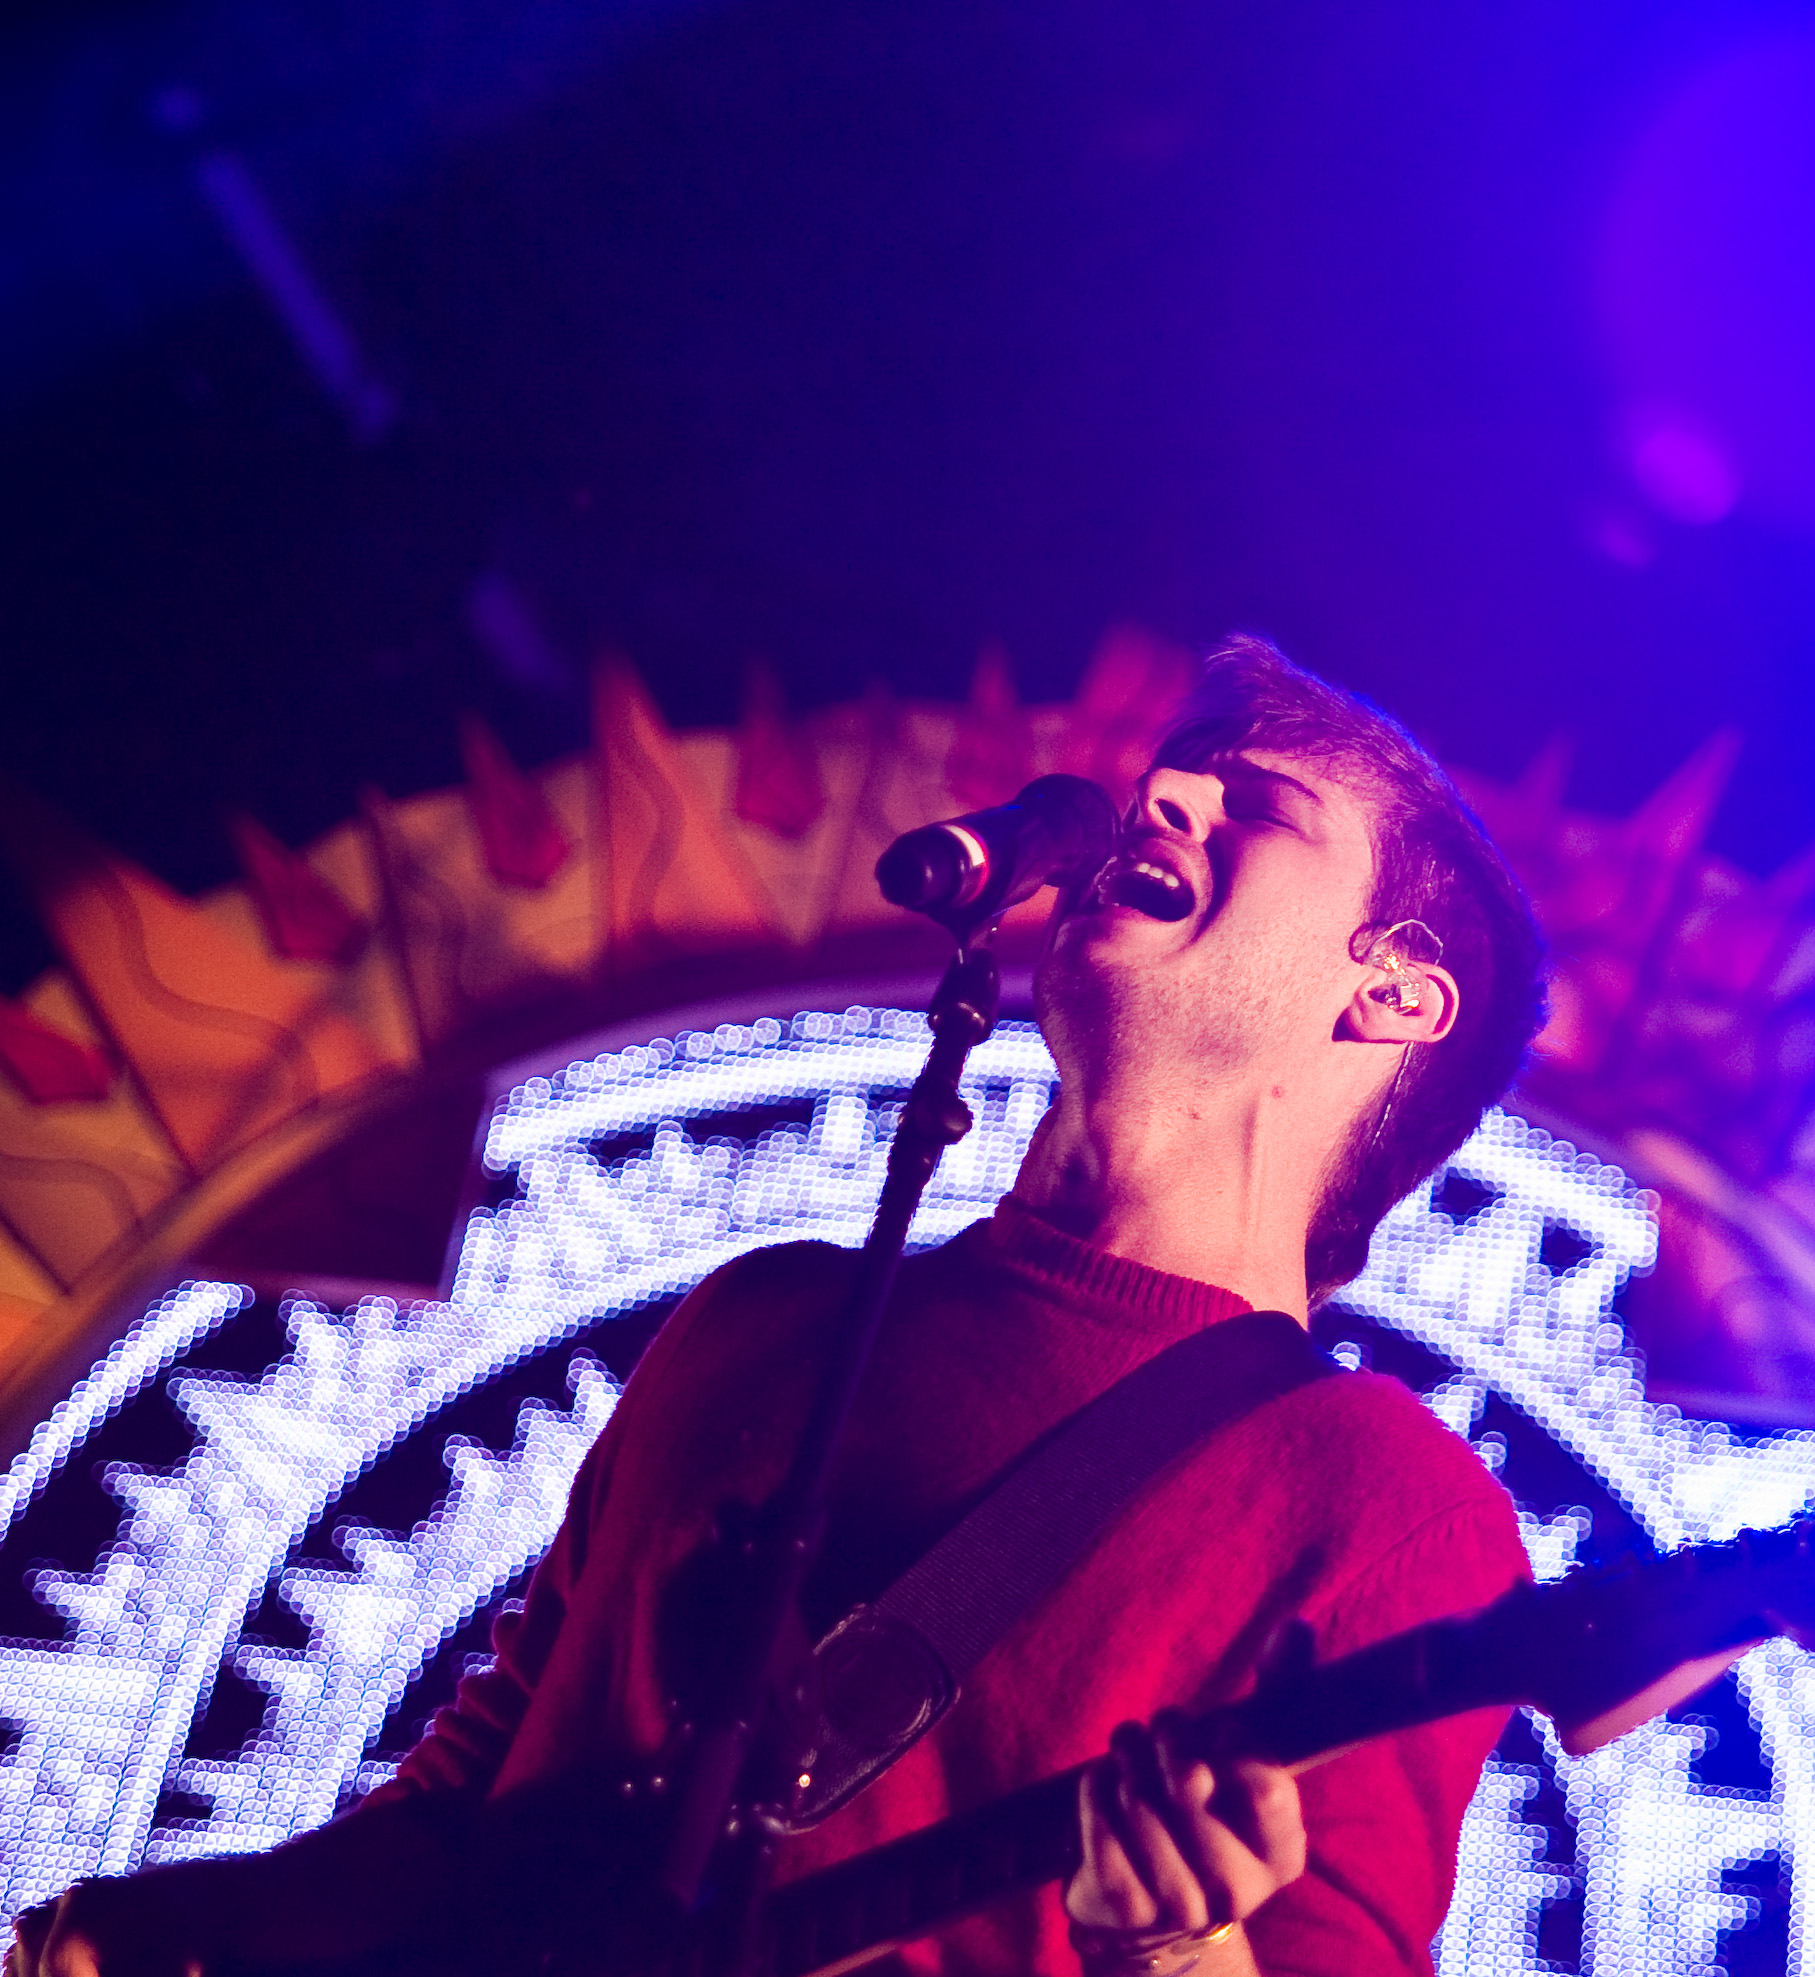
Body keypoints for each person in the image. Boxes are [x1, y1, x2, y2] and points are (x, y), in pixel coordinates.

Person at [13, 637, 1558, 1977]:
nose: (1162, 797)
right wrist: (194, 1924)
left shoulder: (1385, 1498)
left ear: (1396, 994)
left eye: (1259, 805)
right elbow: (483, 1803)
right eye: (1176, 771)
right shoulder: (764, 1316)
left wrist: (1174, 1945)